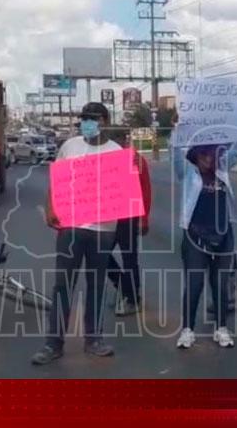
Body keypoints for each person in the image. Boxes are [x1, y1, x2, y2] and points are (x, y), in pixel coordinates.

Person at [32, 102, 122, 365]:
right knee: (63, 286)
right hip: (71, 226)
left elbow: (123, 191)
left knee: (96, 285)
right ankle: (53, 343)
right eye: (84, 118)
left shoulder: (116, 152)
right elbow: (56, 180)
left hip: (103, 229)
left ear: (105, 120)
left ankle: (94, 339)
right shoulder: (69, 147)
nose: (87, 123)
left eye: (92, 118)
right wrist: (50, 207)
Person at [172, 139, 237, 350]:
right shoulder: (188, 174)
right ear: (196, 156)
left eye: (212, 155)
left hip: (223, 236)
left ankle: (221, 328)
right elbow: (176, 154)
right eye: (204, 155)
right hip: (195, 236)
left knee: (221, 285)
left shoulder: (223, 170)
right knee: (194, 284)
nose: (209, 159)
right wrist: (179, 130)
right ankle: (187, 330)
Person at [104, 129, 152, 317]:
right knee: (100, 254)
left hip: (129, 217)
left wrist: (144, 218)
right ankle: (124, 285)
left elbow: (145, 191)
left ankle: (132, 299)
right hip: (107, 217)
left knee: (129, 258)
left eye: (119, 140)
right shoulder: (103, 160)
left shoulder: (136, 160)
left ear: (124, 140)